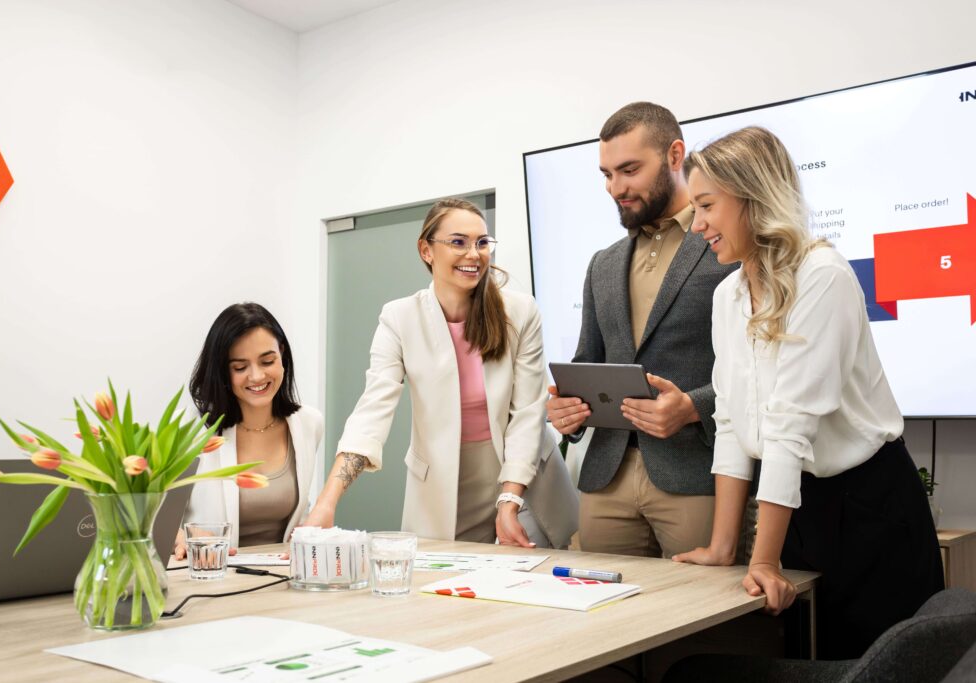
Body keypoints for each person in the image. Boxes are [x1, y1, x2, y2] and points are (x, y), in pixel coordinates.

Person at [674, 126, 943, 659]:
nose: (696, 224)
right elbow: (729, 420)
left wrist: (763, 560)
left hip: (867, 508)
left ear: (752, 197)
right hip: (796, 506)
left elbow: (789, 424)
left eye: (706, 206)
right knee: (810, 658)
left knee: (882, 663)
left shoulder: (822, 275)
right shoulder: (727, 296)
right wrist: (724, 546)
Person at [303, 198, 578, 548]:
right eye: (458, 242)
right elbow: (371, 412)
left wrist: (509, 498)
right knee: (445, 579)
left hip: (523, 478)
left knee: (528, 576)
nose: (473, 254)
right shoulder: (400, 318)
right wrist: (327, 503)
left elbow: (528, 412)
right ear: (426, 250)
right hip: (446, 483)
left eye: (482, 242)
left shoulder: (519, 311)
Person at [546, 102, 738, 558]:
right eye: (607, 174)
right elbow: (588, 362)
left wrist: (693, 407)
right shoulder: (603, 263)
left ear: (675, 155)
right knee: (599, 602)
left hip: (696, 471)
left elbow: (755, 369)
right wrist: (567, 410)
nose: (616, 188)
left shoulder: (728, 245)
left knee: (701, 602)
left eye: (629, 170)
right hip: (606, 476)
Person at [175, 303, 323, 558]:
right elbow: (145, 513)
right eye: (240, 367)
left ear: (282, 355)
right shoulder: (191, 428)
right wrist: (183, 537)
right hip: (212, 573)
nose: (257, 376)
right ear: (222, 371)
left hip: (282, 573)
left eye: (267, 361)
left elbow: (300, 511)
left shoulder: (308, 423)